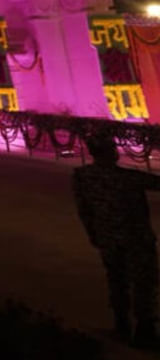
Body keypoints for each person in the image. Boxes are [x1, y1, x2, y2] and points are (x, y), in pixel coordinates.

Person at [73, 131, 160, 347]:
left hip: (107, 239)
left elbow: (83, 210)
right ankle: (144, 331)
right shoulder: (128, 178)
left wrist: (94, 235)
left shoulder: (82, 176)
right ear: (110, 152)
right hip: (136, 239)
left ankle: (121, 326)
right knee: (143, 283)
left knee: (117, 281)